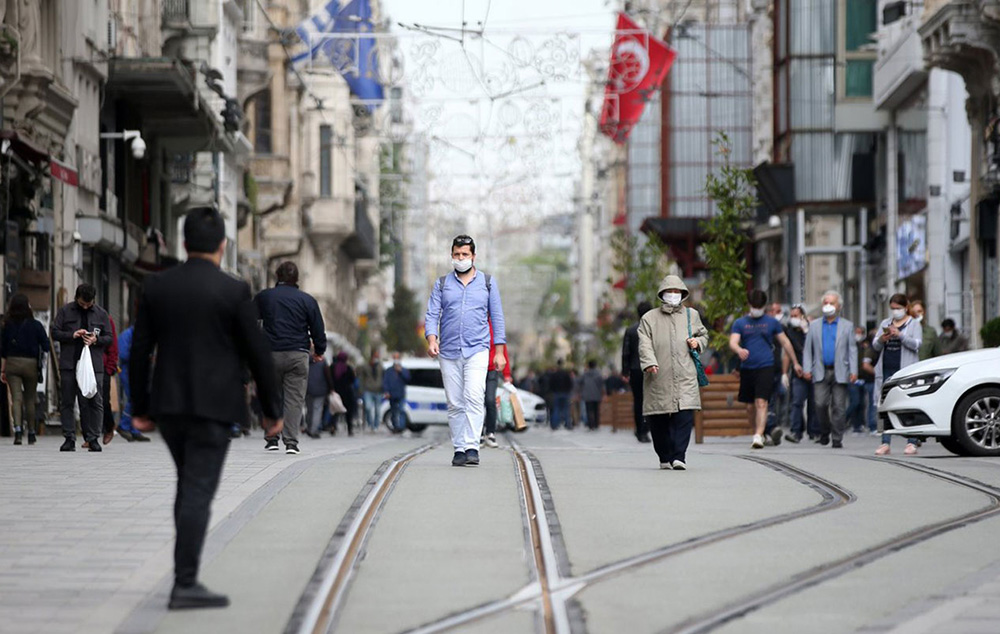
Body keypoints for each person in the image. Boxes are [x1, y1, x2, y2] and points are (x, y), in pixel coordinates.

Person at [130, 207, 281, 610]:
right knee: (197, 489)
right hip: (215, 407)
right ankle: (185, 583)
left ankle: (185, 576)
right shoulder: (233, 290)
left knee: (188, 485)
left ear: (183, 244)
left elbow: (141, 349)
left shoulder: (157, 286)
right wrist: (272, 412)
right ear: (222, 245)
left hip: (170, 407)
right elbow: (258, 353)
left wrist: (140, 408)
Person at [425, 234, 507, 467]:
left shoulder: (488, 283)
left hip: (478, 349)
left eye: (465, 255)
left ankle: (472, 446)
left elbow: (497, 317)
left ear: (473, 256)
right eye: (457, 255)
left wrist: (499, 351)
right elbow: (432, 314)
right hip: (449, 350)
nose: (461, 258)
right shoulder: (442, 284)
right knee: (455, 402)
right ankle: (459, 448)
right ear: (452, 256)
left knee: (473, 396)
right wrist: (432, 339)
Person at [637, 275, 709, 469]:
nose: (674, 295)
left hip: (685, 373)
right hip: (658, 374)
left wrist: (698, 342)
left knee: (685, 415)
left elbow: (703, 334)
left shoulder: (691, 315)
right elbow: (644, 344)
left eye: (677, 292)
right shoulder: (649, 318)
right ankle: (664, 455)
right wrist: (650, 363)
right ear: (662, 294)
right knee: (658, 417)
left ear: (683, 294)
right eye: (670, 292)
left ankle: (679, 456)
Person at [254, 261, 326, 455]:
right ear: (297, 279)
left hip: (270, 354)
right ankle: (291, 442)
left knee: (271, 395)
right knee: (294, 400)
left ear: (277, 276)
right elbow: (318, 329)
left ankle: (271, 438)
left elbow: (249, 320)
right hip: (298, 354)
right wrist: (319, 350)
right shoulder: (307, 300)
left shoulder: (264, 297)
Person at [729, 289, 803, 449]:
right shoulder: (740, 323)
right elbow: (733, 342)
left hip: (766, 366)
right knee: (749, 407)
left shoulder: (772, 323)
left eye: (759, 305)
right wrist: (738, 350)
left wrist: (795, 362)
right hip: (747, 368)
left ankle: (758, 435)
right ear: (750, 305)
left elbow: (785, 342)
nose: (757, 308)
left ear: (764, 306)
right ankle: (757, 431)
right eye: (754, 305)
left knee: (762, 402)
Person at [51, 283, 113, 453]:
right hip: (70, 363)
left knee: (95, 400)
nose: (85, 306)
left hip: (94, 365)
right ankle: (69, 438)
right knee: (68, 401)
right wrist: (72, 335)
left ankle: (93, 438)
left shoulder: (101, 314)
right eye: (82, 304)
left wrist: (96, 340)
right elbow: (55, 332)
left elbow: (109, 337)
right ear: (76, 298)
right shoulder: (65, 311)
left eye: (88, 304)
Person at [801, 291, 858, 449]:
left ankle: (837, 437)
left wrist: (854, 371)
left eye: (832, 303)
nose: (828, 306)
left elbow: (852, 349)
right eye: (826, 302)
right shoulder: (814, 325)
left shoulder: (847, 326)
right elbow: (808, 349)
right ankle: (825, 431)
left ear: (838, 306)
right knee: (819, 404)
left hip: (840, 371)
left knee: (839, 406)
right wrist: (807, 368)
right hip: (820, 370)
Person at [872, 293, 923, 456]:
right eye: (893, 309)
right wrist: (883, 338)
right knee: (884, 407)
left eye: (898, 308)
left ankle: (912, 442)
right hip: (886, 370)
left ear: (905, 307)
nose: (895, 312)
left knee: (909, 406)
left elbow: (916, 344)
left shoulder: (913, 324)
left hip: (906, 371)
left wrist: (900, 335)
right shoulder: (885, 323)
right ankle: (884, 442)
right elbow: (875, 345)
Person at [1, 293, 50, 445]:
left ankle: (17, 431)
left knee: (16, 398)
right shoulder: (36, 325)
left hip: (12, 364)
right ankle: (31, 433)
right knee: (30, 399)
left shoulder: (6, 325)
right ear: (28, 306)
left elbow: (2, 350)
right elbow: (46, 346)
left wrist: (2, 370)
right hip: (31, 365)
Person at [783, 304, 817, 443]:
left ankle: (814, 432)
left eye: (796, 316)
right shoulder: (789, 331)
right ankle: (796, 432)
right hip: (798, 372)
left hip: (815, 372)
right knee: (796, 402)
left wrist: (806, 330)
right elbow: (787, 353)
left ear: (803, 316)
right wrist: (784, 373)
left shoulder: (813, 329)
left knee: (814, 404)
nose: (793, 319)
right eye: (791, 316)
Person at [622, 301, 653, 442]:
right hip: (651, 369)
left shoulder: (630, 330)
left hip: (635, 370)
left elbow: (625, 353)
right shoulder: (654, 329)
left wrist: (625, 371)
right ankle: (646, 429)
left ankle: (639, 430)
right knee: (651, 401)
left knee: (638, 401)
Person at [116, 324, 149, 442]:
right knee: (133, 397)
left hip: (138, 369)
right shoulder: (127, 335)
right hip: (128, 370)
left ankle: (134, 429)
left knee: (137, 398)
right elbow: (123, 354)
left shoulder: (141, 334)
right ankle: (124, 426)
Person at [483, 321, 511, 447]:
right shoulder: (475, 321)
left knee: (490, 400)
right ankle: (476, 433)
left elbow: (502, 351)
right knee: (475, 401)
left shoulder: (495, 325)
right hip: (476, 368)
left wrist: (507, 374)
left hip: (492, 369)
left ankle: (490, 432)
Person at [766, 302, 789, 437]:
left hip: (778, 370)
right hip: (763, 369)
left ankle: (774, 426)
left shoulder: (782, 328)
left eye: (779, 311)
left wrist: (785, 372)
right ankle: (770, 428)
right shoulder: (762, 327)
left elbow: (786, 349)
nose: (777, 314)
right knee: (768, 401)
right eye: (775, 311)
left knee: (778, 398)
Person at [305, 350, 333, 438]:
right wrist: (331, 388)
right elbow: (328, 375)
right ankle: (313, 430)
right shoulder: (323, 362)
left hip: (308, 388)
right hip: (321, 389)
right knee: (317, 409)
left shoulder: (306, 361)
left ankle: (309, 427)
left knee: (309, 410)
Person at [357, 350, 384, 432]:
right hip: (368, 390)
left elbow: (383, 377)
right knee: (368, 408)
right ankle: (370, 423)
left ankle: (375, 425)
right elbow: (361, 378)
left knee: (377, 410)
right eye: (376, 356)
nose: (377, 358)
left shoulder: (380, 366)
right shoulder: (365, 366)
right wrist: (361, 389)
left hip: (378, 390)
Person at [330, 352, 357, 436]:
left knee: (335, 411)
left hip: (336, 392)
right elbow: (353, 379)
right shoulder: (348, 368)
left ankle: (333, 426)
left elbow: (329, 379)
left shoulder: (332, 367)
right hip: (347, 393)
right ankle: (350, 429)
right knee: (348, 412)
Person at [383, 352, 410, 433]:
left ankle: (401, 427)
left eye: (397, 358)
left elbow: (408, 379)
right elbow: (385, 381)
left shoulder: (404, 370)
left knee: (401, 410)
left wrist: (401, 371)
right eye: (395, 358)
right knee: (393, 411)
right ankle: (395, 427)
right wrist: (386, 392)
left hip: (401, 394)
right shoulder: (389, 371)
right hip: (392, 394)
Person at [861, 329, 879, 435]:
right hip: (871, 380)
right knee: (873, 404)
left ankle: (876, 426)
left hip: (874, 380)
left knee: (875, 404)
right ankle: (872, 426)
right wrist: (878, 373)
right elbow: (865, 365)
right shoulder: (871, 349)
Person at [548, 359, 573, 430]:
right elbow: (570, 383)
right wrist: (568, 390)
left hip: (557, 393)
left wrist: (554, 390)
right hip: (565, 393)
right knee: (566, 409)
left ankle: (555, 425)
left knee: (556, 409)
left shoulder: (554, 374)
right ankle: (567, 424)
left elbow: (551, 384)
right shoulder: (566, 374)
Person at [580, 360, 604, 431]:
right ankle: (596, 424)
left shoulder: (585, 374)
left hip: (587, 395)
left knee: (589, 410)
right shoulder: (598, 374)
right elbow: (601, 385)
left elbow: (581, 383)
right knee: (596, 410)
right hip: (596, 395)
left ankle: (591, 425)